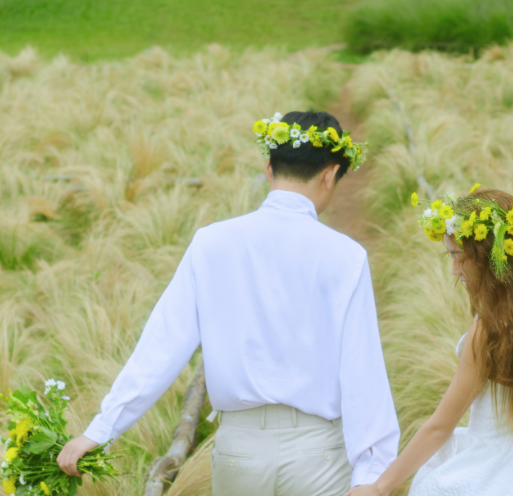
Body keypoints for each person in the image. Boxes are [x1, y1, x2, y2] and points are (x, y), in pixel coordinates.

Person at [58, 111, 399, 496]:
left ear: (269, 168)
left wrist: (100, 430)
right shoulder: (346, 256)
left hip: (240, 453)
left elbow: (162, 344)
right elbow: (361, 370)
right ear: (329, 175)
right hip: (317, 455)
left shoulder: (211, 243)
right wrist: (370, 475)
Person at [346, 188, 513, 496]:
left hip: (496, 478)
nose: (454, 270)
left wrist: (379, 488)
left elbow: (439, 428)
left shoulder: (488, 333)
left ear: (488, 258)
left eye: (458, 258)